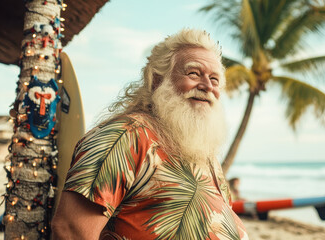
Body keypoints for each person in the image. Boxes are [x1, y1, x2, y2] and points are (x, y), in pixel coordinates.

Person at [51, 29, 249, 239]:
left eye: (215, 79)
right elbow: (70, 229)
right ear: (157, 80)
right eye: (194, 73)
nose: (207, 86)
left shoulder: (205, 156)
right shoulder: (125, 136)